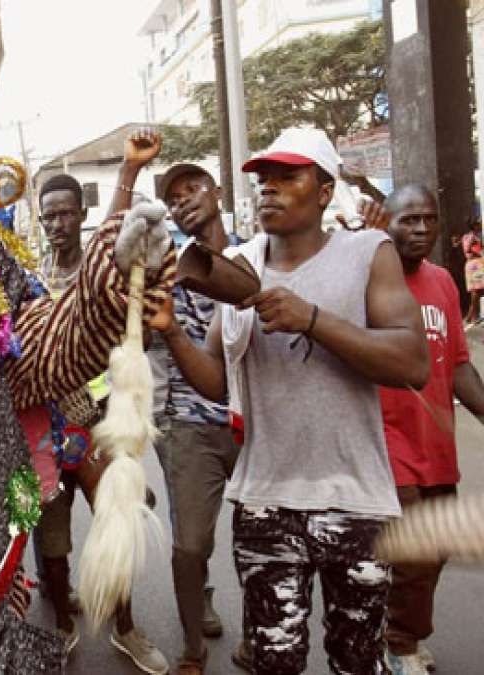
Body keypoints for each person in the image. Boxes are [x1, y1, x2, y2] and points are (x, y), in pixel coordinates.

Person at [157, 128, 428, 674]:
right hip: (264, 501)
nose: (269, 190)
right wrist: (171, 332)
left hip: (356, 500)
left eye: (288, 177)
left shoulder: (367, 253)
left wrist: (311, 319)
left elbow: (412, 363)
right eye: (263, 180)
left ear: (325, 191)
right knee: (274, 663)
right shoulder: (236, 265)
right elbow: (216, 383)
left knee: (356, 661)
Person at [32, 157, 168, 674]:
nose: (58, 224)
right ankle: (64, 626)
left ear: (83, 213)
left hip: (100, 420)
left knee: (116, 525)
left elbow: (136, 336)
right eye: (49, 215)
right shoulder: (31, 277)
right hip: (46, 425)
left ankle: (126, 629)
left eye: (66, 213)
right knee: (52, 535)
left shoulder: (104, 270)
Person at [378, 184, 484, 674]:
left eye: (429, 220)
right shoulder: (369, 281)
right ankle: (399, 644)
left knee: (434, 550)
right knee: (419, 548)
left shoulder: (443, 281)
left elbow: (460, 364)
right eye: (408, 220)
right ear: (387, 223)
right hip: (387, 441)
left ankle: (399, 627)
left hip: (435, 443)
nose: (420, 230)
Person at [144, 161, 243, 675]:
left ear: (218, 192)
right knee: (190, 544)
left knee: (259, 544)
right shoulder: (164, 265)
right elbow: (139, 339)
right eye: (174, 197)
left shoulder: (255, 255)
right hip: (186, 420)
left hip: (252, 420)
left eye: (193, 189)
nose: (184, 201)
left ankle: (261, 632)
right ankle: (192, 649)